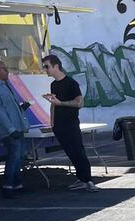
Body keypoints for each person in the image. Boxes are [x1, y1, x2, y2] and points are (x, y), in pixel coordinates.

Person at [41, 54, 99, 192]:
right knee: (70, 152)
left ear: (56, 66)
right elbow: (54, 104)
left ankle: (88, 180)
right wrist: (52, 121)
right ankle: (82, 178)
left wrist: (61, 103)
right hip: (59, 125)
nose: (45, 69)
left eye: (47, 66)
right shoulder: (53, 84)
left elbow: (79, 103)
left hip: (71, 123)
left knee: (78, 151)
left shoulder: (71, 83)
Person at [0, 60, 28, 199]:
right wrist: (10, 129)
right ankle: (7, 187)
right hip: (10, 131)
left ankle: (17, 185)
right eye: (4, 69)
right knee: (14, 157)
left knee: (19, 157)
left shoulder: (6, 86)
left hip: (18, 128)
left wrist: (22, 108)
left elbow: (10, 108)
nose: (7, 71)